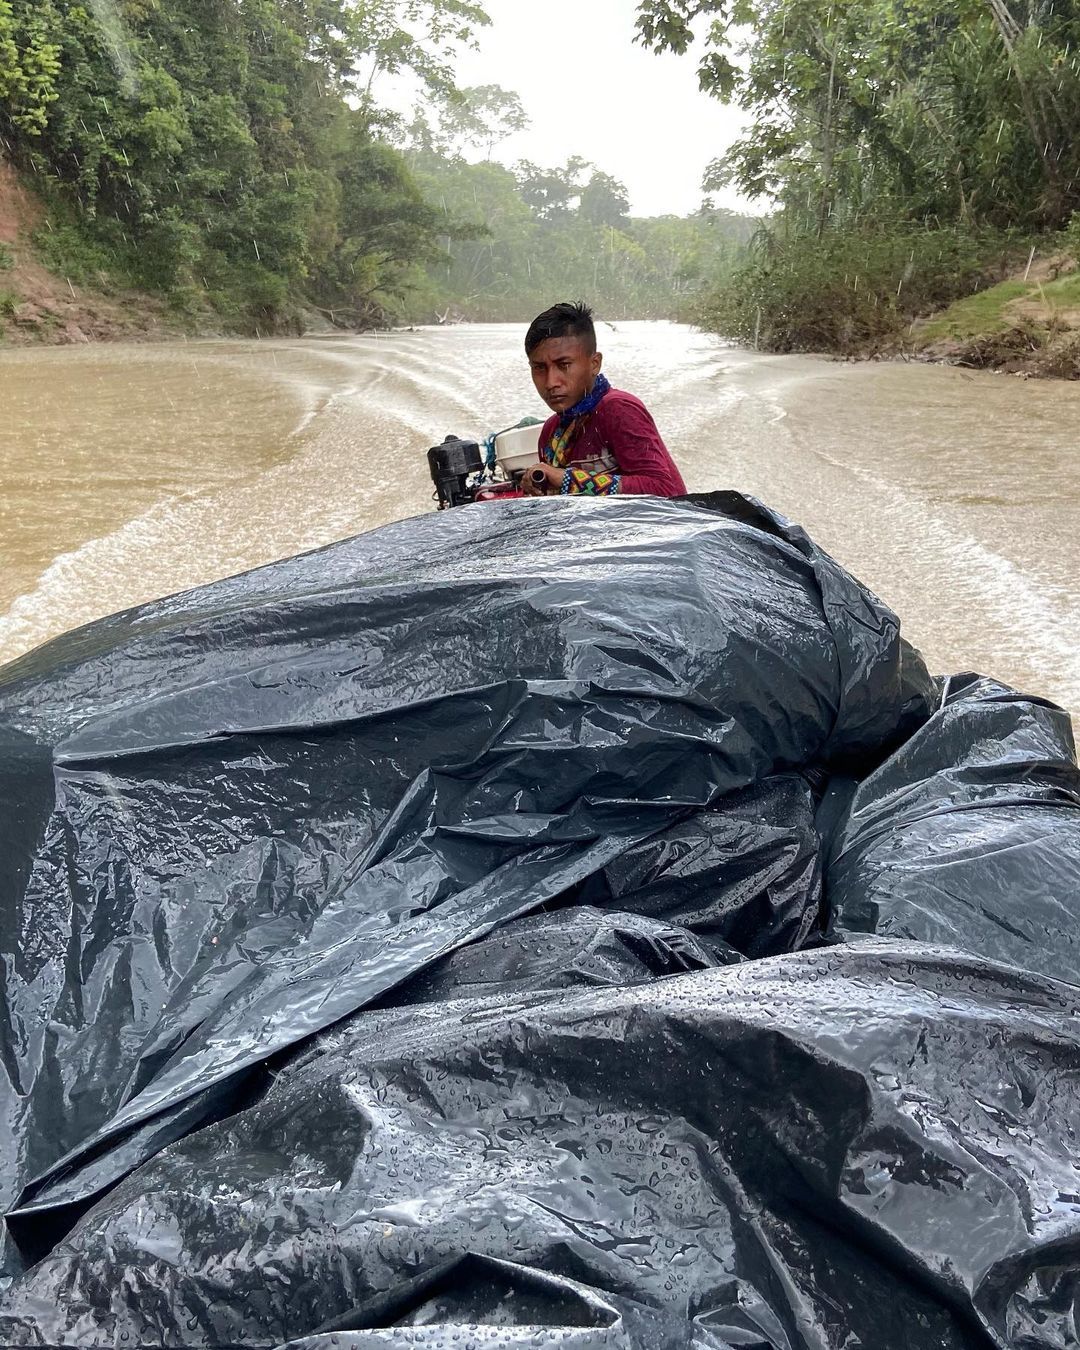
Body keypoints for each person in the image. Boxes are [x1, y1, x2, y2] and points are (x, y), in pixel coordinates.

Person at [521, 301, 686, 498]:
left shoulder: (618, 409)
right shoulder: (551, 432)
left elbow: (664, 489)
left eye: (563, 364)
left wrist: (569, 481)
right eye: (539, 368)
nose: (550, 382)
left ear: (594, 364)